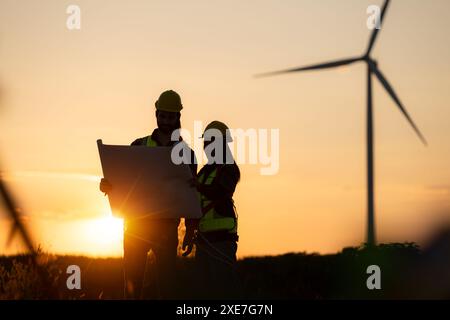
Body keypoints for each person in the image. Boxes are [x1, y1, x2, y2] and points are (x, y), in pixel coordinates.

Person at [100, 90, 197, 299]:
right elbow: (122, 180)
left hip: (166, 227)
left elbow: (192, 194)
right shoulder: (138, 146)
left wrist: (190, 230)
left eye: (170, 116)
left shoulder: (187, 154)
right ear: (156, 114)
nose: (166, 120)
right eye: (163, 115)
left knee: (168, 288)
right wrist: (108, 185)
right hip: (136, 226)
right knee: (132, 286)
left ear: (178, 117)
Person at [182, 121, 241, 299]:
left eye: (212, 141)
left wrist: (198, 186)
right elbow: (195, 205)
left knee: (223, 291)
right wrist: (189, 231)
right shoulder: (203, 172)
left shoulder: (229, 169)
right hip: (204, 242)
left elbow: (221, 191)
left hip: (223, 241)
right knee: (204, 292)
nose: (208, 146)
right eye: (206, 142)